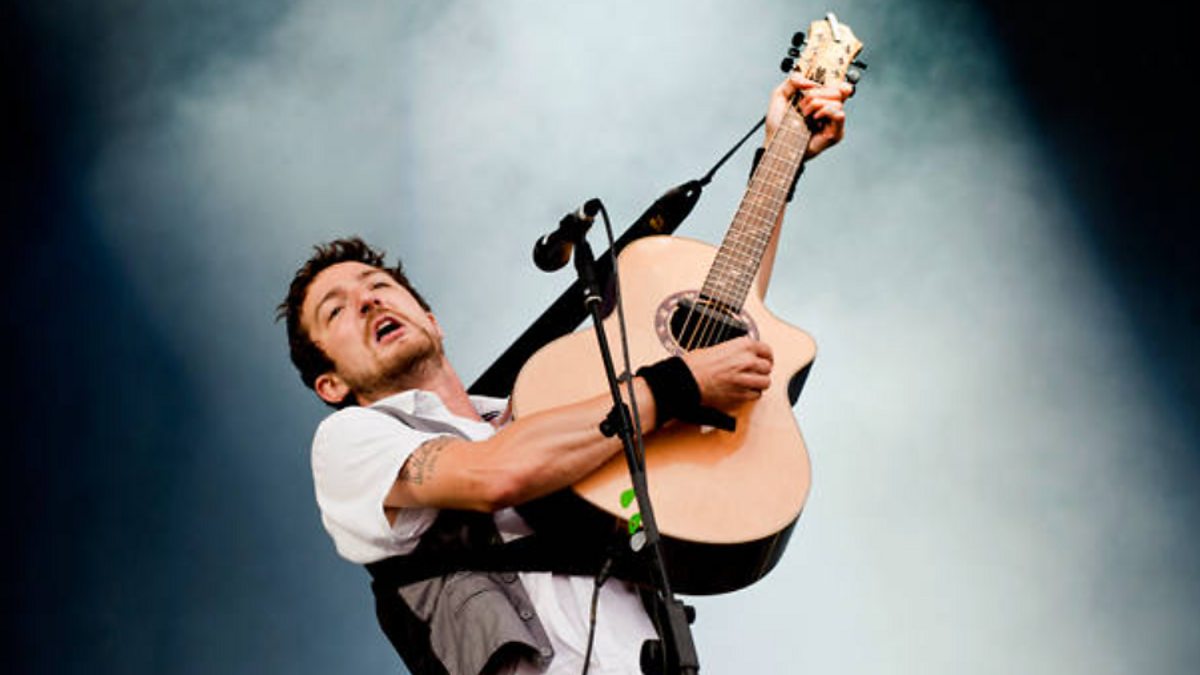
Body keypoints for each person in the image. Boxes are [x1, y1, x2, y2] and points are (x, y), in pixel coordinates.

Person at [278, 72, 853, 674]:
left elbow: (723, 332)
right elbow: (494, 473)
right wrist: (675, 385)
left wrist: (780, 159)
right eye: (336, 311)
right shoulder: (351, 443)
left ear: (431, 320)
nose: (368, 300)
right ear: (330, 384)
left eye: (377, 285)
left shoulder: (557, 406)